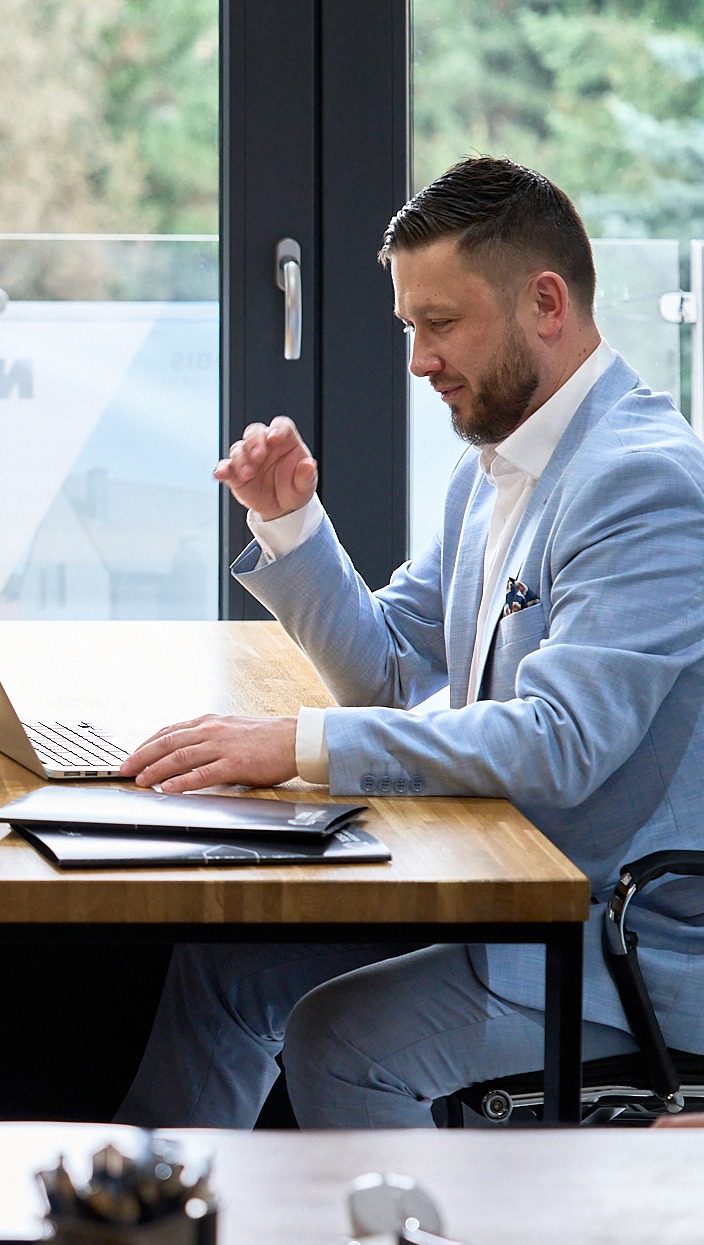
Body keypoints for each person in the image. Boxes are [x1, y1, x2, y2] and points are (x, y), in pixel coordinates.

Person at [114, 157, 704, 1128]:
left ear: (544, 303)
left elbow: (559, 742)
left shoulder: (641, 485)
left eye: (439, 324)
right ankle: (139, 1236)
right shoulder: (493, 471)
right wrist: (290, 526)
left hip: (616, 944)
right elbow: (389, 668)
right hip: (494, 891)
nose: (417, 360)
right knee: (226, 968)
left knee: (339, 1040)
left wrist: (295, 745)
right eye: (407, 328)